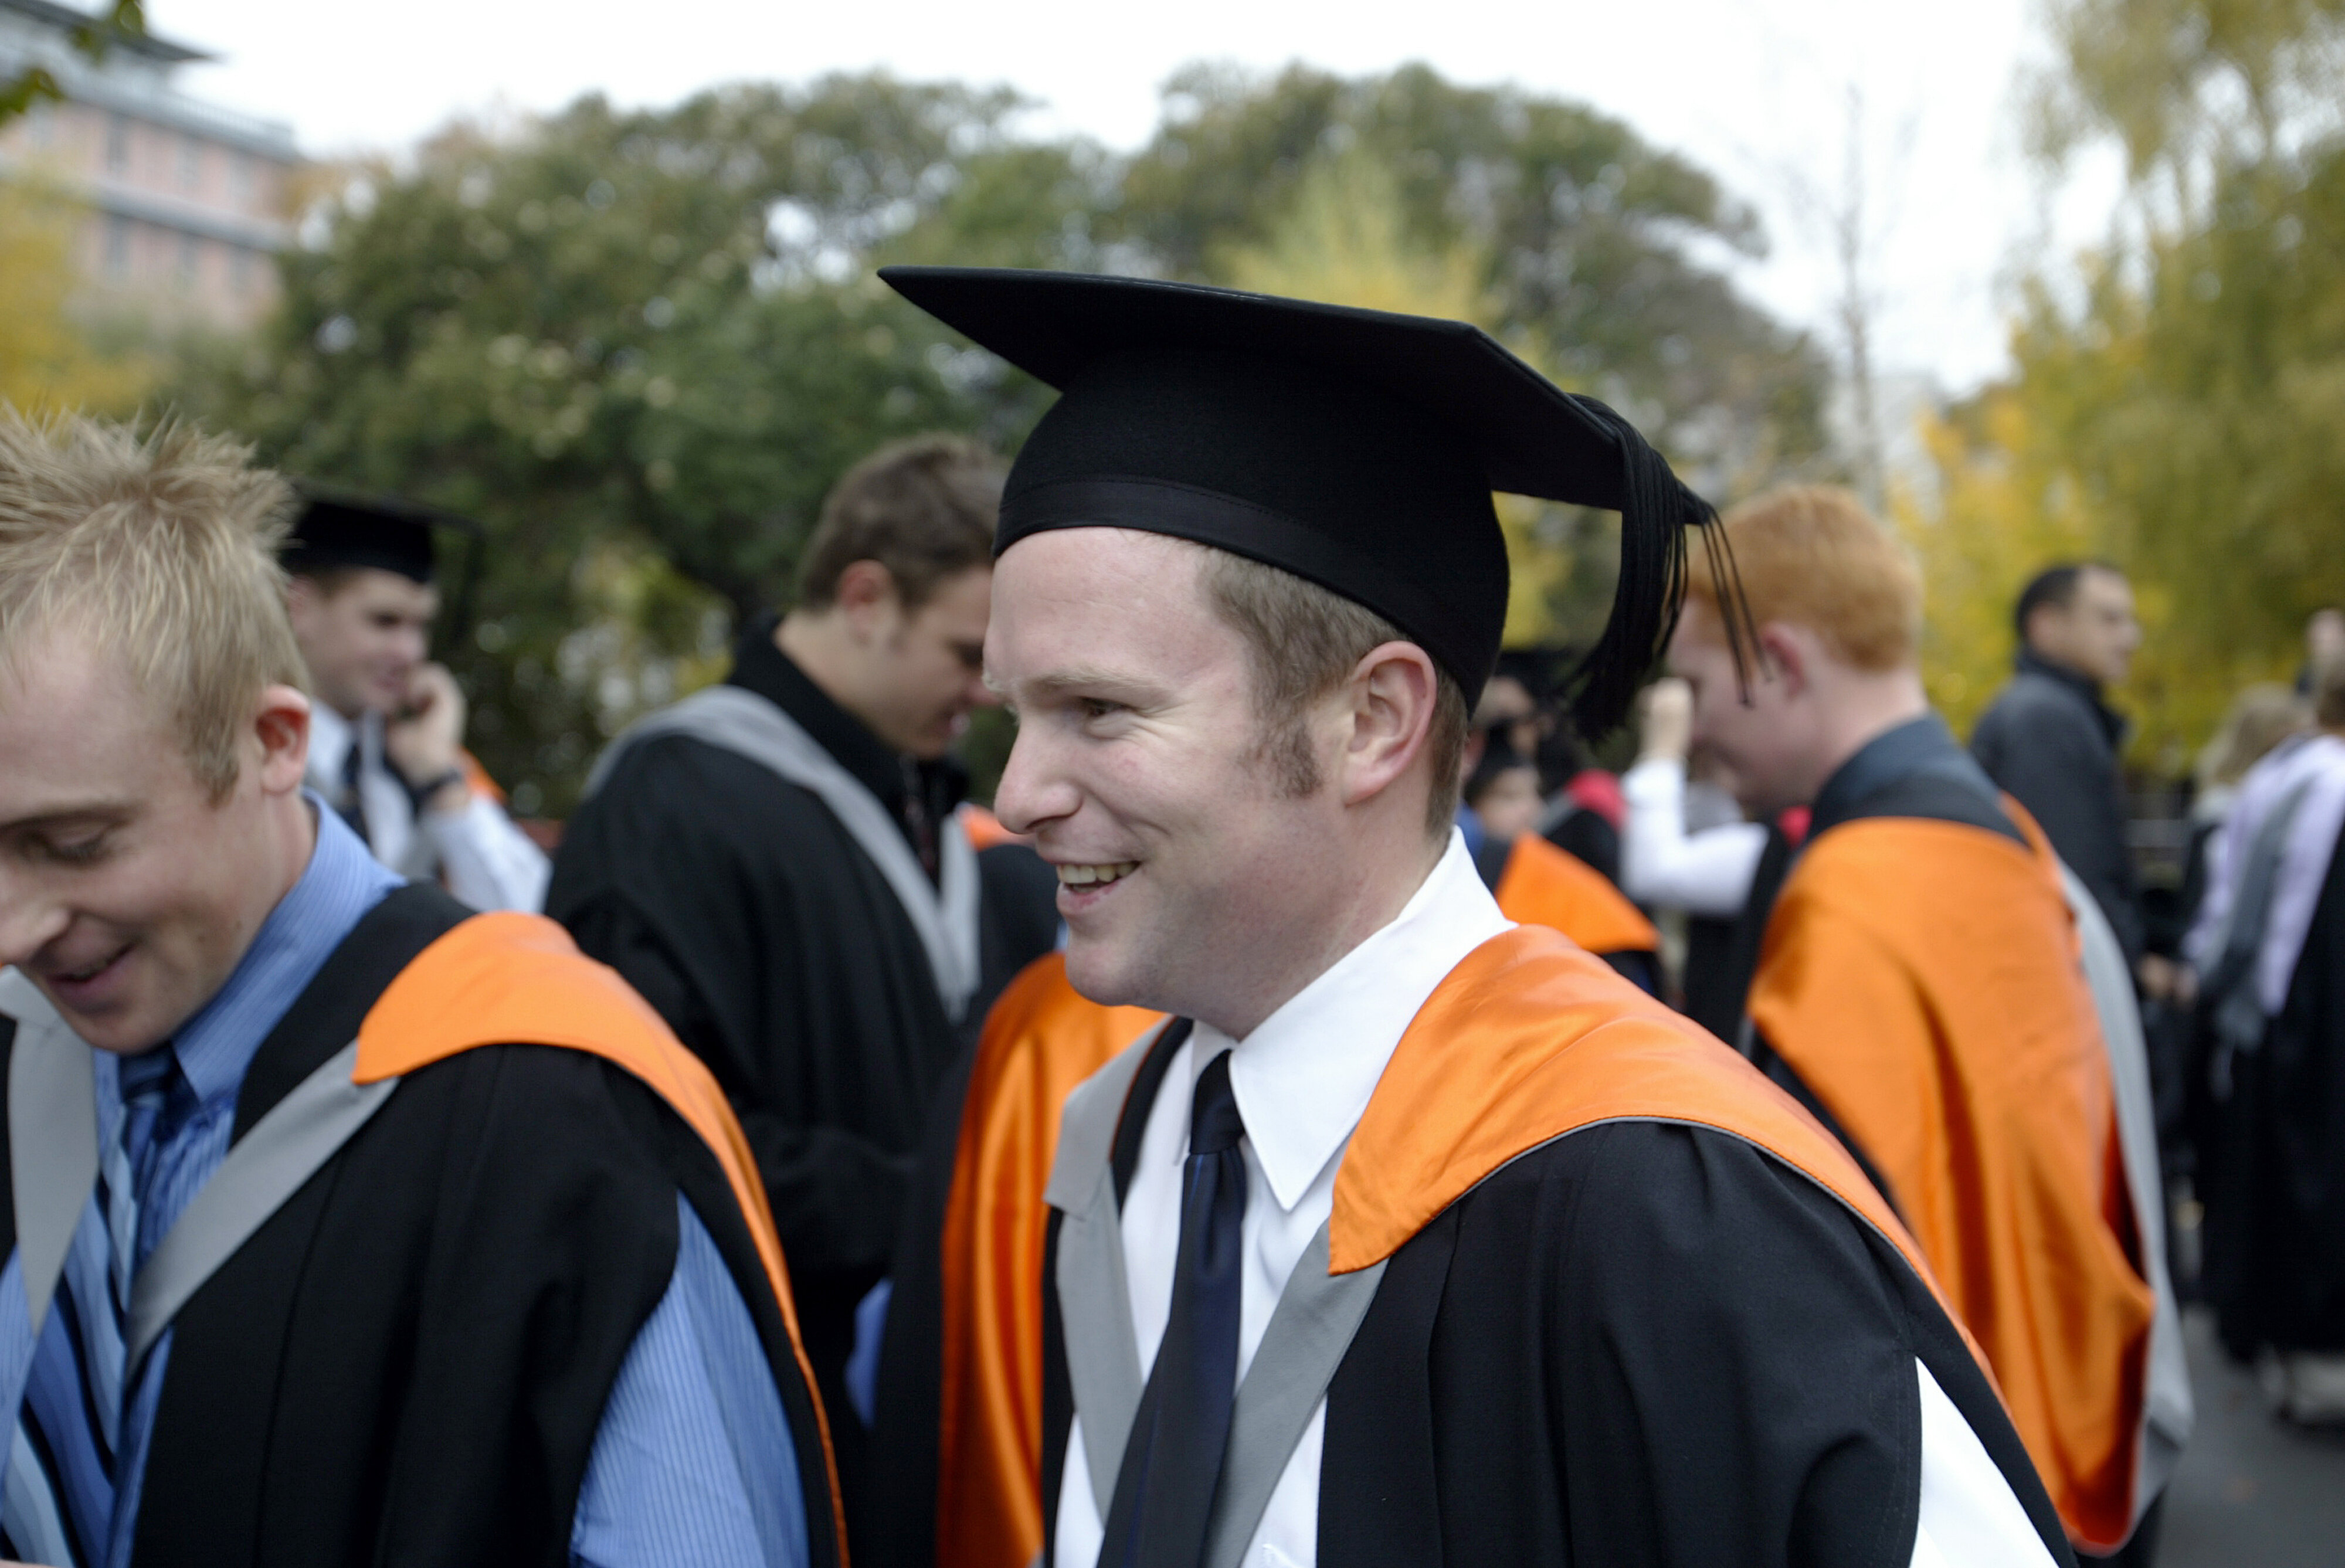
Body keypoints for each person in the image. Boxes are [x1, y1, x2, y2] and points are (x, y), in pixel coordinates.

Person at [876, 266, 2071, 1568]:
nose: (1016, 795)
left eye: (1097, 710)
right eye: (1013, 713)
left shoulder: (1659, 1206)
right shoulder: (1120, 1135)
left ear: (1372, 720)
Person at [0, 415, 841, 1566]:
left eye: (76, 841)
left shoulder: (554, 1107)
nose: (11, 932)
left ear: (271, 741)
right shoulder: (25, 1047)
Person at [544, 435, 1060, 1518]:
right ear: (864, 595)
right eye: (966, 653)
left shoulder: (931, 802)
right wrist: (935, 1207)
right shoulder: (670, 799)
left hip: (953, 1394)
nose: (986, 692)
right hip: (778, 1405)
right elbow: (642, 1134)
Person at [1669, 486, 2184, 1559]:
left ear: (1780, 660)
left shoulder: (1857, 899)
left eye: (1696, 682)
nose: (1692, 727)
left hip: (1953, 1480)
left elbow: (1805, 1285)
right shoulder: (2005, 843)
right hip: (2073, 1435)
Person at [2183, 656, 2345, 1421]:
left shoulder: (2287, 778)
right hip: (2310, 1021)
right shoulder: (2323, 786)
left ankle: (2286, 1343)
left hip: (2272, 1015)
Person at [281, 491, 549, 911]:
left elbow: (528, 918)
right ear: (298, 608)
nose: (410, 653)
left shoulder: (418, 768)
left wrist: (439, 780)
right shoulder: (245, 750)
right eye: (384, 621)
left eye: (421, 627)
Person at [1970, 561, 2148, 973]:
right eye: (2109, 619)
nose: (2129, 638)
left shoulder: (2048, 711)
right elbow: (2071, 885)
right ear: (2045, 625)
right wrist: (2132, 970)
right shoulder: (2044, 721)